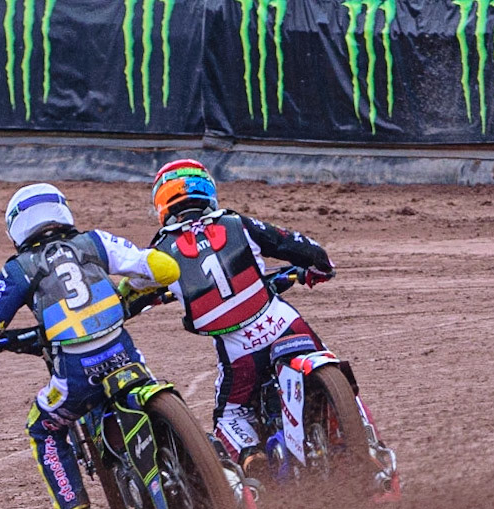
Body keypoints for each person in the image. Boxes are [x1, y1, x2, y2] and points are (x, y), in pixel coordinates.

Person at [139, 159, 391, 488]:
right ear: (208, 190)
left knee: (228, 414)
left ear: (162, 203)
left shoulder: (159, 253)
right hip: (284, 323)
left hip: (237, 349)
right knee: (333, 363)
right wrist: (321, 266)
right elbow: (299, 246)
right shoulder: (237, 223)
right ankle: (368, 446)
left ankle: (250, 455)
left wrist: (145, 299)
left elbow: (131, 296)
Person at [0, 184, 181, 509]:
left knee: (42, 426)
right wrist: (132, 290)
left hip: (77, 374)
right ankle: (218, 474)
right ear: (61, 212)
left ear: (16, 227)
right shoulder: (94, 242)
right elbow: (161, 266)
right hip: (123, 353)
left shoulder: (18, 269)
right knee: (149, 384)